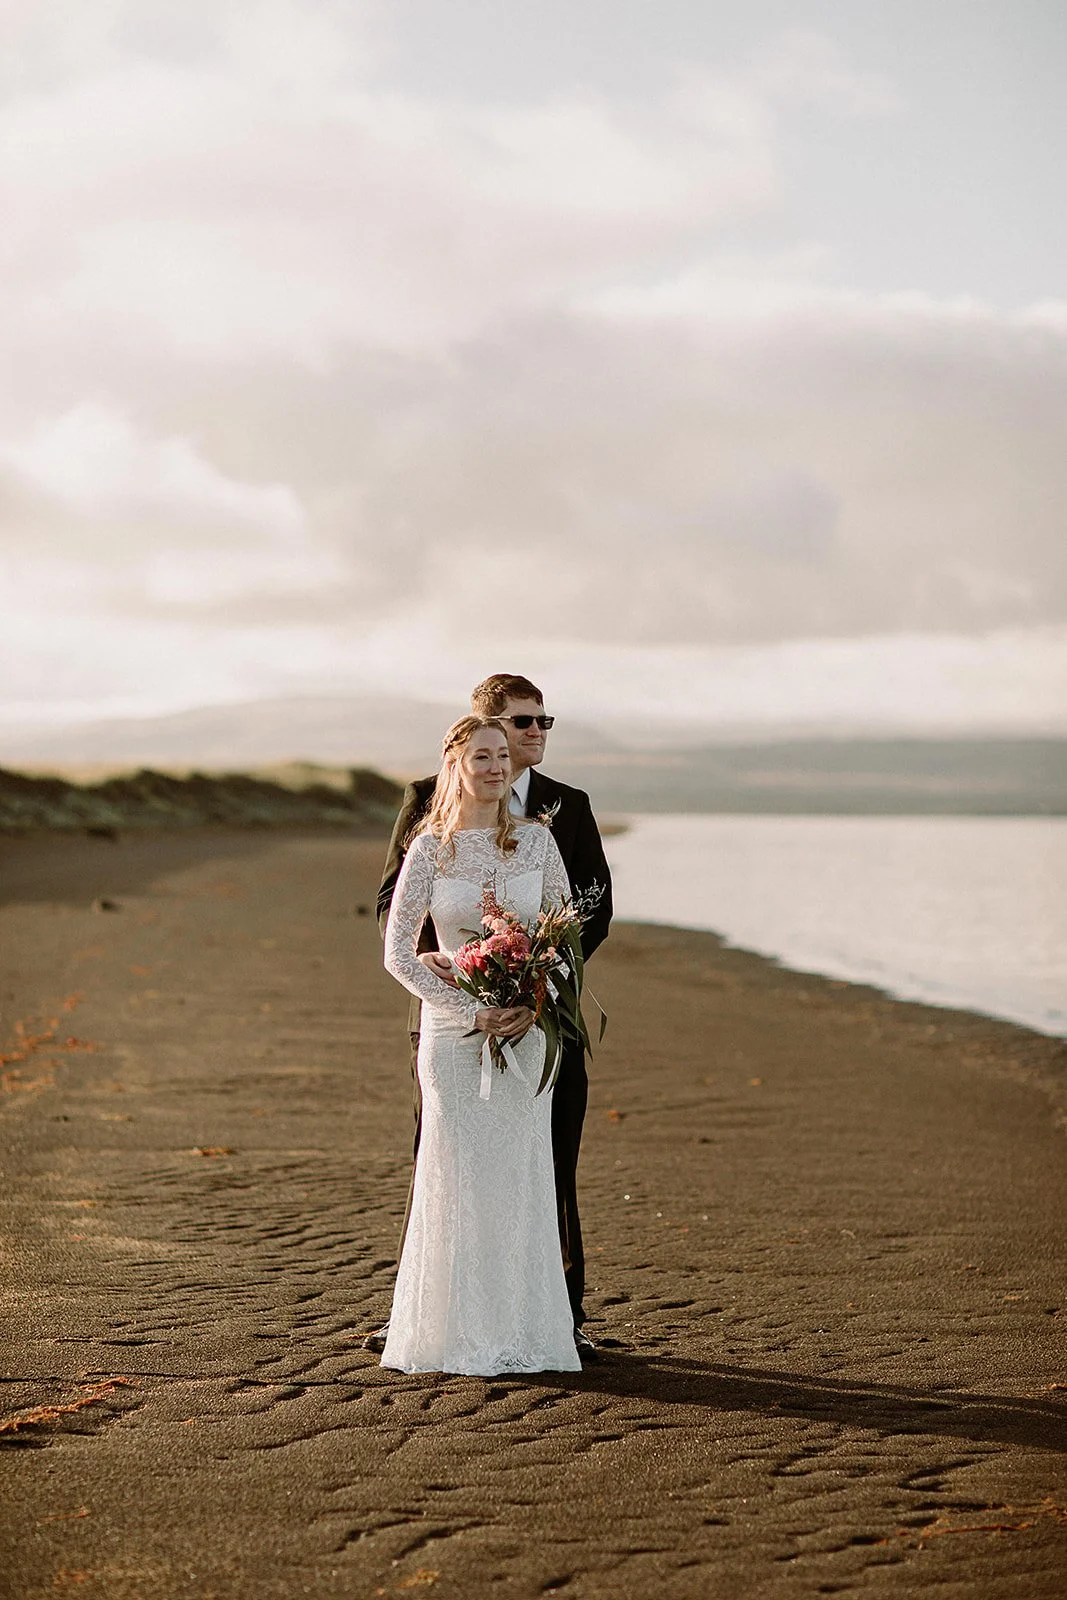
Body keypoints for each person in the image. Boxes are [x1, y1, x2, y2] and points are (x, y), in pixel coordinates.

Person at [371, 674, 612, 1358]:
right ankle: (442, 1327)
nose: (505, 759)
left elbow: (569, 928)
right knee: (450, 1170)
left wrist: (530, 995)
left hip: (532, 1027)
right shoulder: (428, 841)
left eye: (507, 753)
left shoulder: (541, 836)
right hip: (451, 1033)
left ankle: (537, 1325)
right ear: (459, 760)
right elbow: (396, 940)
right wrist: (464, 1005)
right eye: (489, 751)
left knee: (531, 1171)